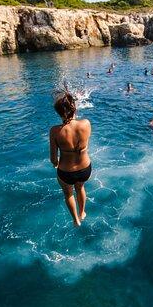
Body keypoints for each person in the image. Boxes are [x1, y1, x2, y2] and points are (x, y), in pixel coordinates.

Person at [50, 92, 92, 227]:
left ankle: (75, 220)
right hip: (85, 169)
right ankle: (82, 212)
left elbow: (53, 158)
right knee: (80, 187)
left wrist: (55, 164)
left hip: (66, 172)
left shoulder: (55, 131)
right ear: (74, 107)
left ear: (58, 112)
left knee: (68, 193)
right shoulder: (86, 124)